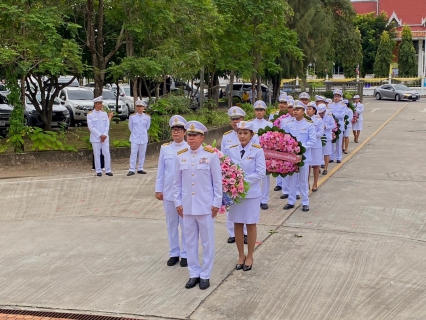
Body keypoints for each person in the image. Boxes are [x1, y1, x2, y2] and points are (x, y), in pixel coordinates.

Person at [174, 121, 222, 290]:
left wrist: (216, 203)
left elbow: (217, 182)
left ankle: (205, 274)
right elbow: (177, 183)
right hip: (187, 207)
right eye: (189, 135)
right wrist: (178, 202)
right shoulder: (180, 156)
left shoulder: (211, 156)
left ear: (202, 137)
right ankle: (193, 273)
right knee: (190, 242)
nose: (191, 138)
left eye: (195, 135)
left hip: (205, 206)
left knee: (207, 242)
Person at [224, 121, 265, 271]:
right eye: (240, 133)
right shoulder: (230, 149)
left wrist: (240, 179)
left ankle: (250, 256)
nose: (242, 136)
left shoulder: (257, 150)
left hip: (251, 193)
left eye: (245, 133)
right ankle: (240, 255)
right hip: (235, 194)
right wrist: (231, 182)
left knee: (250, 223)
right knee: (237, 224)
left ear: (251, 135)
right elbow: (226, 168)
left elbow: (260, 172)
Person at [155, 115, 188, 267]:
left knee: (186, 225)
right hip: (168, 192)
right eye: (174, 130)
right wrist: (158, 189)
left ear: (184, 132)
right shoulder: (165, 148)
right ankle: (174, 252)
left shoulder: (189, 148)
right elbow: (161, 171)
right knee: (171, 224)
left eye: (179, 130)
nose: (176, 133)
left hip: (184, 194)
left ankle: (185, 253)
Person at [221, 106, 249, 244]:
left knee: (244, 205)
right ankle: (232, 233)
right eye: (233, 119)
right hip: (230, 177)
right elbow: (222, 157)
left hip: (246, 176)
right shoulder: (226, 136)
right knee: (230, 206)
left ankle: (244, 233)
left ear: (243, 119)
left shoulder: (250, 134)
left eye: (237, 118)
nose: (235, 121)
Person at [282, 100, 316, 212]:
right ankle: (291, 201)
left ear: (303, 111)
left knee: (303, 180)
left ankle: (305, 202)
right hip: (291, 158)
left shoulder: (309, 125)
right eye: (294, 109)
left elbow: (312, 141)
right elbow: (285, 139)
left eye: (298, 109)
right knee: (291, 180)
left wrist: (300, 148)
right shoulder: (288, 125)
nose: (295, 111)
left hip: (304, 157)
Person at [251, 100, 272, 210]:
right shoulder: (250, 124)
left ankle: (264, 200)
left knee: (265, 179)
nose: (259, 112)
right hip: (252, 155)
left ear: (265, 111)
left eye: (261, 110)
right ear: (254, 111)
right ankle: (256, 198)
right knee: (254, 178)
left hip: (265, 155)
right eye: (257, 110)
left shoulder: (269, 125)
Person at [87, 96, 113, 177]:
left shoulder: (104, 113)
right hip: (96, 138)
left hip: (105, 137)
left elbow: (107, 124)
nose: (101, 105)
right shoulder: (90, 115)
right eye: (100, 103)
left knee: (106, 153)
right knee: (97, 154)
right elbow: (91, 127)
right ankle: (98, 170)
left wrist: (104, 135)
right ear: (96, 104)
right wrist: (100, 135)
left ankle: (108, 170)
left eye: (101, 103)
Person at [127, 100, 150, 176]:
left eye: (141, 106)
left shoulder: (147, 117)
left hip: (143, 138)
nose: (139, 108)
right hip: (134, 138)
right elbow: (130, 127)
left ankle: (140, 168)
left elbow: (147, 127)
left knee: (142, 154)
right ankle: (132, 169)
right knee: (133, 153)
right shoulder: (132, 117)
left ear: (144, 108)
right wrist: (135, 133)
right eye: (138, 106)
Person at [270, 93, 288, 193]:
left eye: (285, 103)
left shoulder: (290, 114)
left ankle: (285, 185)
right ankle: (279, 183)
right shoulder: (274, 114)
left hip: (286, 142)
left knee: (285, 163)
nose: (282, 105)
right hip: (276, 141)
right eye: (281, 103)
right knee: (277, 162)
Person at [306, 102, 324, 192]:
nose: (308, 111)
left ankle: (315, 183)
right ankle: (307, 183)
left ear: (314, 110)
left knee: (316, 165)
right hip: (307, 146)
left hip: (316, 145)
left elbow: (321, 133)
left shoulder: (318, 120)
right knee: (307, 165)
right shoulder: (304, 119)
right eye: (307, 109)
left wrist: (312, 134)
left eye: (310, 109)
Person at [329, 89, 346, 164]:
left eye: (338, 96)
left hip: (339, 126)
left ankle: (339, 157)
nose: (336, 98)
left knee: (339, 142)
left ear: (340, 97)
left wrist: (333, 115)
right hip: (332, 126)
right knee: (332, 142)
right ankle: (331, 157)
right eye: (335, 96)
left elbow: (342, 115)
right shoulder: (330, 105)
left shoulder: (343, 105)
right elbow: (328, 114)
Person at [318, 104, 335, 176]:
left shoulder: (329, 116)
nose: (321, 114)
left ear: (325, 111)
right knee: (318, 153)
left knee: (326, 153)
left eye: (322, 113)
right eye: (320, 113)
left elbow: (333, 125)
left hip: (326, 137)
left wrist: (326, 127)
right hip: (318, 137)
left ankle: (325, 168)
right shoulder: (316, 116)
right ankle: (317, 167)